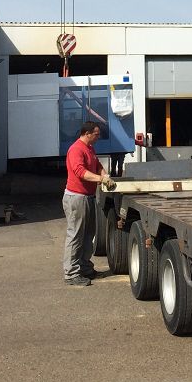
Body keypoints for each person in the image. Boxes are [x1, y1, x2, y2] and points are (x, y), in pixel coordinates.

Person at [62, 121, 115, 286]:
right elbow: (80, 171)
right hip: (76, 198)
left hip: (87, 197)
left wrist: (104, 175)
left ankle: (84, 267)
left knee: (88, 235)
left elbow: (97, 165)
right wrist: (101, 179)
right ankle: (71, 274)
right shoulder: (76, 149)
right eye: (96, 134)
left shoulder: (89, 148)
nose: (98, 137)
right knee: (76, 235)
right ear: (87, 133)